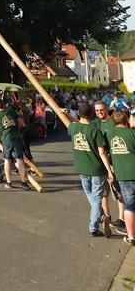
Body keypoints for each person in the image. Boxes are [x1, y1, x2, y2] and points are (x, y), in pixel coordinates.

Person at [67, 103, 114, 237]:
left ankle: (100, 218)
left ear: (78, 114)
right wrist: (109, 171)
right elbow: (102, 153)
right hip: (97, 169)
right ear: (91, 114)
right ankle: (94, 227)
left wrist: (66, 115)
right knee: (96, 199)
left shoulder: (74, 128)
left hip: (82, 168)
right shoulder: (95, 130)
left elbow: (70, 125)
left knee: (91, 196)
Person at [93, 100, 126, 234]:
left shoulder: (113, 122)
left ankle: (121, 219)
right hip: (101, 162)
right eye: (96, 111)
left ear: (106, 109)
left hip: (113, 162)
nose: (99, 112)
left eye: (101, 110)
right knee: (104, 193)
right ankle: (107, 217)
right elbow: (80, 124)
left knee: (118, 192)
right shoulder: (95, 123)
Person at [106, 110, 135, 246]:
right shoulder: (132, 133)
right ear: (126, 120)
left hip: (122, 174)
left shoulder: (110, 133)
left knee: (130, 205)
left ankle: (131, 236)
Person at [0, 98, 30, 190]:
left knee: (7, 160)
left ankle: (9, 182)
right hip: (16, 137)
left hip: (6, 140)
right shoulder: (11, 111)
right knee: (20, 159)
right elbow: (19, 119)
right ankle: (23, 182)